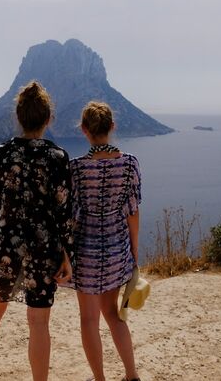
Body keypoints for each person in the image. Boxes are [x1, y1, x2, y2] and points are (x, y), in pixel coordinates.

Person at [0, 81, 74, 381]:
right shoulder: (57, 158)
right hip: (43, 249)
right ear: (49, 118)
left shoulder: (0, 155)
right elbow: (63, 212)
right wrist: (69, 255)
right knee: (38, 323)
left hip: (5, 247)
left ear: (18, 116)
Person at [71, 101, 142, 381]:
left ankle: (99, 379)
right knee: (113, 315)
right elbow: (133, 213)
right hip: (116, 252)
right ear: (112, 127)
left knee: (88, 320)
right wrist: (134, 253)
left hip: (86, 254)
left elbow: (71, 217)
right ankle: (131, 375)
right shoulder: (129, 165)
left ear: (84, 130)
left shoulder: (75, 169)